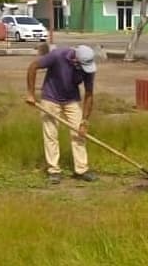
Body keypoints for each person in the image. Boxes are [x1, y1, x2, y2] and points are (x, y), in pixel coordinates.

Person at [24, 44, 98, 184]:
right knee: (51, 135)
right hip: (50, 98)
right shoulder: (57, 55)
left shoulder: (88, 69)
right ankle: (54, 171)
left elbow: (89, 94)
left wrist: (84, 121)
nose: (85, 70)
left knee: (79, 133)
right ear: (75, 60)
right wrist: (31, 94)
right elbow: (33, 66)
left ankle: (81, 170)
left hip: (71, 100)